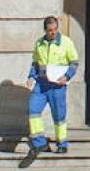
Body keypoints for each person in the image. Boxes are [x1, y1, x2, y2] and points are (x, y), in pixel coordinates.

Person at [25, 16, 79, 157]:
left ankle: (61, 143)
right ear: (45, 30)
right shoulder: (39, 43)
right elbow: (35, 63)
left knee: (59, 115)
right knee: (33, 109)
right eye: (50, 30)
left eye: (55, 29)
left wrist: (67, 76)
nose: (53, 33)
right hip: (41, 84)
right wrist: (31, 77)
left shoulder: (66, 42)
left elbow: (74, 62)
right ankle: (39, 143)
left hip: (57, 85)